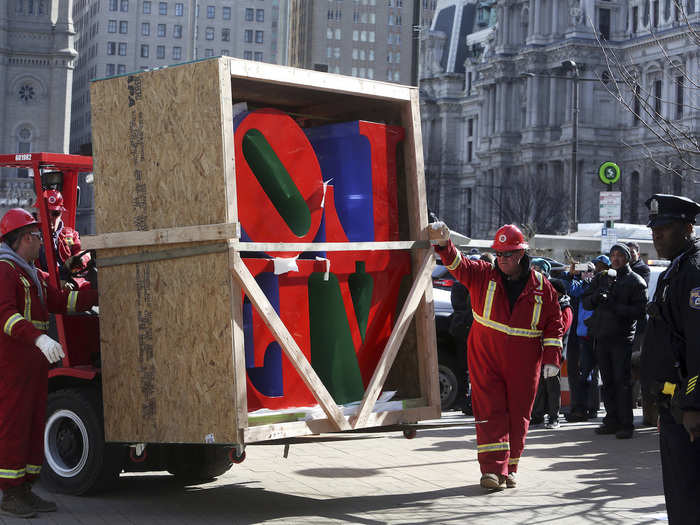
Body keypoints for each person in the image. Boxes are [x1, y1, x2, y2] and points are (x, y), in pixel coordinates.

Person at [431, 222, 563, 490]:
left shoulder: (542, 286)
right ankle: (492, 470)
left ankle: (510, 468)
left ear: (521, 254)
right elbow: (459, 265)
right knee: (490, 412)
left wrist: (552, 356)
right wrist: (444, 244)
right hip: (486, 357)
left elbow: (554, 322)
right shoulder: (483, 274)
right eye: (499, 254)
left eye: (508, 254)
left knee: (519, 415)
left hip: (524, 363)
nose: (502, 259)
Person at [0, 208, 98, 518]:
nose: (41, 242)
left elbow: (58, 300)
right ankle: (10, 493)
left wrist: (97, 295)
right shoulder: (5, 270)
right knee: (15, 425)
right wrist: (39, 339)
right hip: (14, 362)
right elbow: (5, 315)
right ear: (20, 239)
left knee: (32, 424)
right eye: (35, 236)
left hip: (34, 363)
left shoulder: (30, 272)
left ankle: (26, 488)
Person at [640, 194, 700, 524]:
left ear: (687, 229)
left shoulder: (693, 274)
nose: (657, 235)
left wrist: (693, 405)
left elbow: (698, 346)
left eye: (665, 227)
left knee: (690, 498)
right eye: (654, 228)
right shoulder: (672, 273)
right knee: (679, 496)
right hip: (673, 405)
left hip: (689, 411)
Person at [582, 243, 647, 439]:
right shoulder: (603, 277)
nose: (616, 259)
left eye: (620, 255)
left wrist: (615, 305)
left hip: (622, 339)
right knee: (608, 381)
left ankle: (626, 424)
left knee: (622, 382)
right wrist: (596, 298)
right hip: (602, 337)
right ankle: (611, 420)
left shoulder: (635, 281)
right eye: (613, 255)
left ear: (627, 258)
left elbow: (640, 312)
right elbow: (586, 301)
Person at [564, 258, 607, 422]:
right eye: (583, 270)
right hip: (575, 333)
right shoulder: (577, 283)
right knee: (575, 373)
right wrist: (571, 274)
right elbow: (569, 288)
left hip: (589, 334)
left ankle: (590, 407)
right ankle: (579, 407)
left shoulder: (595, 285)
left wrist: (586, 278)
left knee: (589, 373)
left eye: (589, 270)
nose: (586, 273)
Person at [532, 278, 572, 429]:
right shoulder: (546, 306)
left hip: (555, 354)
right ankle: (537, 415)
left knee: (552, 386)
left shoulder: (565, 308)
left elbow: (560, 328)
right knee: (540, 385)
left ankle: (554, 417)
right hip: (542, 351)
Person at [34, 190, 87, 288]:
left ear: (61, 214)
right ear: (37, 213)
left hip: (69, 285)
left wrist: (76, 260)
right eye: (45, 213)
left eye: (55, 213)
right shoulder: (29, 238)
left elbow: (83, 253)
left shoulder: (70, 235)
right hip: (43, 288)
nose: (50, 218)